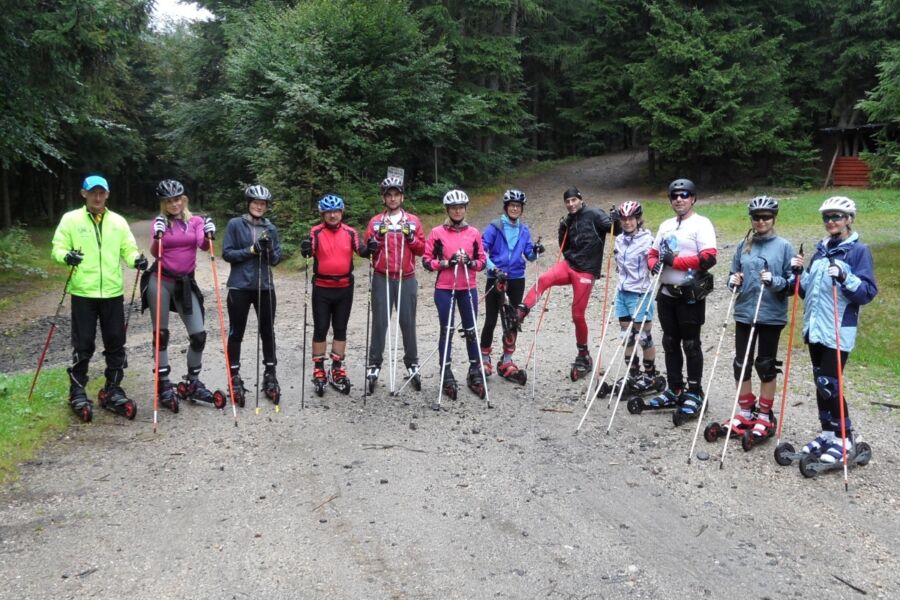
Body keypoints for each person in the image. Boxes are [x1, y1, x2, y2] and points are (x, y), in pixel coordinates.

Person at [51, 175, 146, 421]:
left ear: (107, 194)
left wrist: (137, 260)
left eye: (101, 192)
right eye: (92, 192)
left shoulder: (117, 221)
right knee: (83, 344)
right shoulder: (71, 219)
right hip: (84, 292)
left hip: (113, 292)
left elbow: (128, 248)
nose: (97, 197)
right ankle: (77, 390)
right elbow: (57, 248)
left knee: (116, 342)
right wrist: (66, 256)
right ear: (83, 193)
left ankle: (113, 389)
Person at [792, 196, 877, 463]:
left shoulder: (858, 251)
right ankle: (828, 434)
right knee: (821, 384)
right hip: (815, 329)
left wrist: (844, 276)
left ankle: (844, 438)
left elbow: (867, 293)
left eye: (837, 217)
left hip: (839, 330)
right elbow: (809, 293)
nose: (831, 222)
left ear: (849, 220)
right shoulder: (821, 251)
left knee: (830, 384)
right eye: (827, 217)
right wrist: (798, 275)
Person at [516, 187, 611, 381]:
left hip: (586, 270)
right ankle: (520, 313)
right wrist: (562, 229)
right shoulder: (569, 219)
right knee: (544, 279)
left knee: (577, 314)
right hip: (569, 264)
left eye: (574, 200)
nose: (571, 204)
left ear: (581, 200)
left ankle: (584, 355)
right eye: (567, 202)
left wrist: (615, 219)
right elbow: (563, 247)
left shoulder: (594, 214)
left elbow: (613, 229)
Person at [143, 179, 218, 412]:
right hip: (161, 281)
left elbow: (203, 247)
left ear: (183, 199)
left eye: (177, 199)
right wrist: (158, 235)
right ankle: (163, 384)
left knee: (199, 334)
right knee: (161, 334)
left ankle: (192, 382)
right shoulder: (160, 222)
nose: (174, 204)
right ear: (163, 203)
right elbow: (156, 253)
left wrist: (208, 233)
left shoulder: (195, 221)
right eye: (169, 201)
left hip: (185, 284)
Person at [645, 178, 717, 418]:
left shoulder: (701, 224)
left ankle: (695, 391)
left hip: (690, 293)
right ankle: (675, 388)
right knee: (669, 341)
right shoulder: (666, 225)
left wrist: (674, 261)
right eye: (675, 195)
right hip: (666, 293)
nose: (679, 199)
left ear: (693, 198)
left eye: (684, 195)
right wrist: (654, 264)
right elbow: (653, 253)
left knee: (691, 344)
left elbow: (708, 257)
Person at [723, 196, 795, 438]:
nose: (761, 221)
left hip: (770, 315)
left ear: (774, 218)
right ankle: (745, 411)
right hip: (744, 312)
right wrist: (732, 281)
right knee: (740, 364)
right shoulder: (744, 245)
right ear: (751, 219)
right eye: (756, 217)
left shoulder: (784, 246)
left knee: (765, 365)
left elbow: (792, 284)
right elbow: (733, 274)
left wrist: (774, 281)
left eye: (766, 217)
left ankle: (764, 414)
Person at [300, 194, 375, 396]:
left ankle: (337, 367)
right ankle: (318, 369)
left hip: (344, 288)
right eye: (328, 212)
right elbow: (309, 251)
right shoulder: (315, 231)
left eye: (336, 211)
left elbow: (361, 250)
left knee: (340, 328)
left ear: (341, 212)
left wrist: (371, 249)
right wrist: (305, 249)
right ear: (322, 214)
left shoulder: (350, 232)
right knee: (321, 327)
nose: (332, 215)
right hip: (322, 288)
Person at [362, 177, 426, 393]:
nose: (392, 198)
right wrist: (378, 238)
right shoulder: (376, 222)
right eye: (388, 195)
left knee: (408, 322)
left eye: (396, 194)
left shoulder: (413, 221)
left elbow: (421, 249)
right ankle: (374, 365)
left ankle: (412, 363)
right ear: (384, 197)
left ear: (402, 197)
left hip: (406, 277)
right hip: (382, 276)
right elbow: (368, 250)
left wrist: (410, 237)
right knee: (380, 323)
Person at [422, 189, 487, 399]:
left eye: (460, 207)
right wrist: (445, 263)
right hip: (445, 289)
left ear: (465, 209)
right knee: (447, 330)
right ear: (447, 210)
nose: (457, 211)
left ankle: (475, 369)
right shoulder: (437, 232)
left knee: (471, 330)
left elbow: (482, 261)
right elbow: (426, 261)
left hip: (467, 288)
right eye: (453, 208)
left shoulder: (474, 233)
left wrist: (470, 262)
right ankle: (446, 370)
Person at [222, 185, 282, 407]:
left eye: (263, 203)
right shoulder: (235, 224)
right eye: (255, 202)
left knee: (268, 331)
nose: (259, 206)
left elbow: (276, 259)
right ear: (248, 203)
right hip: (239, 286)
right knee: (237, 331)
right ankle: (234, 374)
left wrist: (268, 251)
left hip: (265, 286)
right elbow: (227, 253)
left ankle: (270, 372)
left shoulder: (271, 228)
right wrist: (252, 250)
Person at [479, 189, 544, 384]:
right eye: (512, 206)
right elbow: (482, 252)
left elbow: (529, 255)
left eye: (518, 206)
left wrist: (536, 251)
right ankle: (484, 359)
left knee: (513, 321)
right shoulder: (494, 227)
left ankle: (507, 360)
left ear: (521, 209)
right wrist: (493, 268)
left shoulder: (524, 230)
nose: (515, 209)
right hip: (496, 277)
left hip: (516, 278)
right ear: (506, 208)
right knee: (490, 319)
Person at [611, 200, 661, 393]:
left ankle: (649, 375)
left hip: (640, 293)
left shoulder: (648, 240)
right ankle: (634, 374)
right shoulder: (618, 240)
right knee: (626, 336)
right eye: (623, 219)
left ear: (638, 219)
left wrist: (654, 263)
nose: (627, 222)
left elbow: (652, 259)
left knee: (643, 337)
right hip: (622, 293)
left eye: (631, 218)